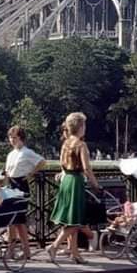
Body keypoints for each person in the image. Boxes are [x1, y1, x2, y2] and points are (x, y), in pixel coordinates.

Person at [46, 112, 100, 264]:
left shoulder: (66, 143)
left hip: (66, 181)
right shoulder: (81, 144)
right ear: (81, 126)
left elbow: (62, 164)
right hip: (76, 181)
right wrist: (95, 184)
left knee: (70, 220)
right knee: (75, 220)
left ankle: (75, 254)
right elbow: (87, 168)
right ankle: (54, 246)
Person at [3, 126, 46, 259]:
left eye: (14, 138)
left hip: (21, 186)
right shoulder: (11, 154)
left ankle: (26, 251)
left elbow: (42, 161)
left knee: (20, 221)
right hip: (11, 186)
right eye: (11, 138)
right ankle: (12, 250)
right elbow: (7, 172)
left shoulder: (26, 152)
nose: (12, 140)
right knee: (11, 220)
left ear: (21, 138)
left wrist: (31, 173)